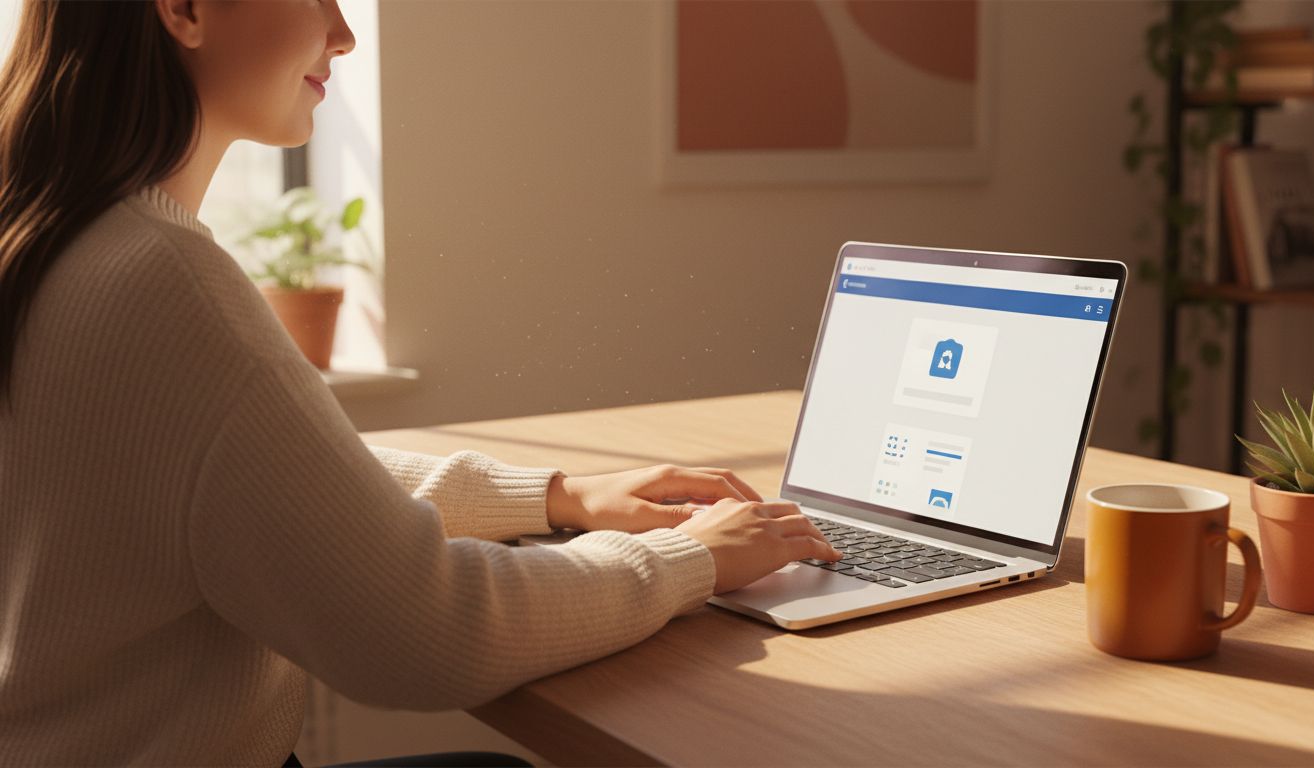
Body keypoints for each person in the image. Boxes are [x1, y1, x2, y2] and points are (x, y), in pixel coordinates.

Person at [0, 1, 843, 765]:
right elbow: (426, 632)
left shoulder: (50, 237)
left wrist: (558, 496)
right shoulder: (160, 281)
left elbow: (274, 478)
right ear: (183, 9)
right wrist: (688, 557)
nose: (344, 32)